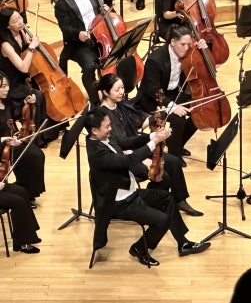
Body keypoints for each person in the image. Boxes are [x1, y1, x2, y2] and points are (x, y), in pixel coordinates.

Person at [84, 108, 210, 267]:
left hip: (132, 193)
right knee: (162, 221)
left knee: (168, 198)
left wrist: (152, 136)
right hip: (119, 203)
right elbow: (129, 160)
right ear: (94, 131)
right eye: (107, 126)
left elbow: (126, 143)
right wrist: (154, 143)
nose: (110, 129)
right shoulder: (98, 154)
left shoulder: (104, 137)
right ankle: (139, 248)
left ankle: (183, 243)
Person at [97, 73, 203, 216]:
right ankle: (153, 205)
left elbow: (140, 122)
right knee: (162, 174)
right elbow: (118, 146)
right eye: (117, 90)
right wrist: (143, 158)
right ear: (105, 92)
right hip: (125, 158)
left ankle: (180, 201)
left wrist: (158, 116)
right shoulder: (103, 116)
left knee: (173, 161)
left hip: (138, 148)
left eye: (122, 88)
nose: (122, 92)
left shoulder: (120, 105)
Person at [133, 25, 208, 165]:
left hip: (173, 93)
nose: (186, 48)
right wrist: (172, 106)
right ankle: (174, 158)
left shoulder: (188, 53)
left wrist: (203, 50)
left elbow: (204, 66)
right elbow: (153, 90)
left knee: (200, 110)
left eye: (189, 44)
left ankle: (177, 144)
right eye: (183, 44)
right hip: (153, 99)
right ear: (172, 42)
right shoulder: (155, 59)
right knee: (178, 119)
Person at [0, 8, 56, 146]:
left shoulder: (21, 32)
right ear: (8, 26)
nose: (20, 22)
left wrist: (32, 44)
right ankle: (37, 139)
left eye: (20, 17)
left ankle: (49, 130)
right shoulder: (5, 45)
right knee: (38, 95)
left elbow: (31, 52)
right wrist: (31, 47)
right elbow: (23, 67)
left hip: (24, 80)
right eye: (15, 20)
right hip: (12, 86)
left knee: (45, 92)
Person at [54, 0, 105, 102]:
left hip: (101, 37)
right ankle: (95, 102)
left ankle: (112, 91)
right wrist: (78, 34)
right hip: (79, 43)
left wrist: (104, 9)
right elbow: (65, 27)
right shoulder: (61, 4)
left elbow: (100, 11)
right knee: (89, 66)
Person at [0, 71, 45, 200]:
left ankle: (28, 191)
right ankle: (24, 191)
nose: (6, 89)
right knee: (31, 155)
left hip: (13, 140)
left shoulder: (6, 102)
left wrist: (27, 102)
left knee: (37, 154)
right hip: (3, 145)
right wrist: (4, 139)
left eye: (7, 85)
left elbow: (17, 114)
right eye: (2, 86)